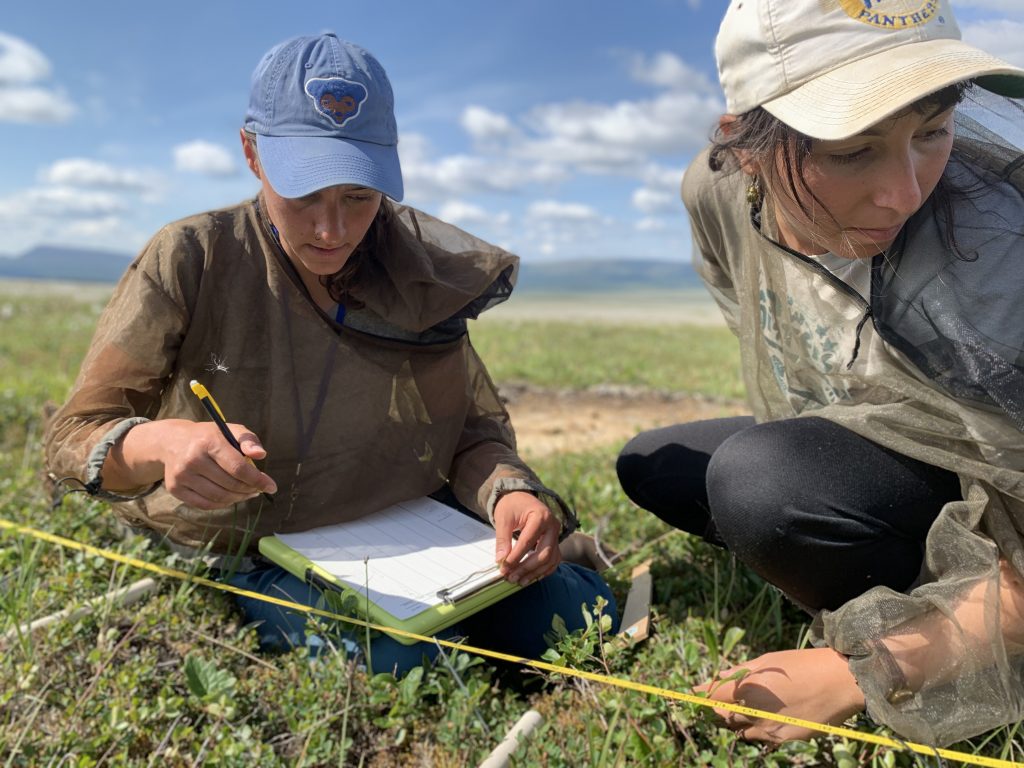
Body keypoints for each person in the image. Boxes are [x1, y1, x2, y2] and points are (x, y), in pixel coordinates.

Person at [45, 32, 618, 675]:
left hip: (405, 541)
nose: (332, 230)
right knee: (403, 664)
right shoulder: (191, 258)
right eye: (305, 193)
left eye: (358, 196)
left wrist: (507, 494)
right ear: (252, 153)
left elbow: (469, 436)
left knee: (574, 618)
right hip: (250, 546)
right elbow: (74, 437)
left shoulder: (414, 271)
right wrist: (164, 445)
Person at [617, 0, 1024, 747]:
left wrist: (867, 669)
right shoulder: (715, 192)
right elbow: (750, 312)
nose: (904, 192)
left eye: (933, 131)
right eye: (850, 151)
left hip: (999, 489)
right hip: (874, 432)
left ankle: (941, 608)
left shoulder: (1002, 252)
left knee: (761, 484)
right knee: (654, 465)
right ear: (745, 147)